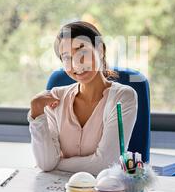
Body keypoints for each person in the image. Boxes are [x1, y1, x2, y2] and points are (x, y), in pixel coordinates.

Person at [28, 21, 138, 175]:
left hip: (104, 190)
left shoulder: (123, 97)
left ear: (100, 50)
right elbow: (46, 163)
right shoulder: (56, 98)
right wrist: (36, 114)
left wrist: (57, 164)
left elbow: (106, 164)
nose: (76, 63)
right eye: (66, 57)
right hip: (58, 191)